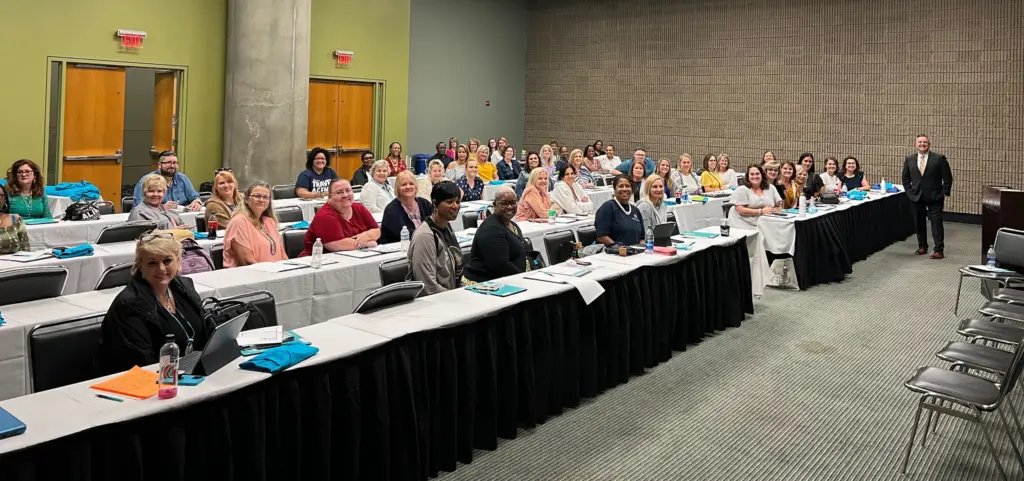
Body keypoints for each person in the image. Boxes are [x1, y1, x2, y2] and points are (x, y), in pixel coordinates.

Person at [98, 232, 214, 373]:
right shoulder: (129, 305)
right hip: (153, 380)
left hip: (191, 370)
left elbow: (206, 331)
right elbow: (143, 364)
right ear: (140, 266)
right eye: (152, 263)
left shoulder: (184, 287)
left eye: (167, 261)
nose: (161, 269)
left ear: (178, 260)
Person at [408, 181, 463, 295]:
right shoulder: (425, 236)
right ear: (435, 203)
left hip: (452, 295)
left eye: (457, 202)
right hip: (437, 303)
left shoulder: (446, 226)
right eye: (449, 202)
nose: (455, 206)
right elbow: (428, 287)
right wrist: (459, 298)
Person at [463, 186, 527, 284]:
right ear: (494, 205)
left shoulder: (513, 225)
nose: (510, 207)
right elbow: (500, 265)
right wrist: (524, 279)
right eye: (504, 203)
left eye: (513, 203)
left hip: (508, 279)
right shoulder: (491, 230)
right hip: (486, 284)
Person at [903, 134, 952, 259]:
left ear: (929, 144)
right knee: (919, 223)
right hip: (916, 197)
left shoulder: (939, 158)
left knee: (936, 223)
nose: (922, 144)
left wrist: (943, 193)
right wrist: (909, 193)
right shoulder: (909, 159)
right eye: (920, 142)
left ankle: (938, 250)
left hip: (935, 197)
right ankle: (922, 246)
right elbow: (905, 178)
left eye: (925, 142)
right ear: (915, 144)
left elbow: (947, 178)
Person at [301, 179, 380, 255]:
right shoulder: (324, 215)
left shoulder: (359, 208)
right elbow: (336, 244)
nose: (345, 195)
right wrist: (368, 243)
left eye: (348, 190)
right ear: (329, 197)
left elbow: (377, 230)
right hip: (318, 261)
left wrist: (366, 235)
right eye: (339, 192)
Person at [223, 181, 287, 267]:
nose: (261, 200)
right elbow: (247, 262)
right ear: (246, 199)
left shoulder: (270, 222)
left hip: (274, 275)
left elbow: (283, 256)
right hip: (248, 276)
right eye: (257, 196)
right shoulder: (239, 222)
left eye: (265, 197)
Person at [133, 151, 202, 210]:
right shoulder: (146, 180)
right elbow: (139, 206)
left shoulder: (182, 178)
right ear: (159, 165)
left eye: (175, 163)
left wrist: (196, 202)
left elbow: (194, 196)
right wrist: (161, 207)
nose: (172, 166)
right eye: (168, 162)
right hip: (154, 217)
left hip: (180, 216)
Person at [381, 171, 434, 244]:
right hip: (399, 250)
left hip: (426, 244)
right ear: (398, 188)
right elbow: (404, 235)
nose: (408, 187)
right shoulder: (391, 210)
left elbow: (435, 225)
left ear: (416, 186)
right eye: (404, 184)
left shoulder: (425, 204)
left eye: (411, 184)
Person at [595, 176, 644, 246]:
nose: (624, 189)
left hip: (634, 253)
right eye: (621, 186)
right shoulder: (607, 207)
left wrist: (640, 250)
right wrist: (619, 249)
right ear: (614, 189)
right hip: (613, 253)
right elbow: (602, 236)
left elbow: (642, 238)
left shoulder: (635, 210)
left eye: (627, 186)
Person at [729, 165, 783, 229]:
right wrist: (761, 211)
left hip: (765, 223)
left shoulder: (771, 188)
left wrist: (773, 210)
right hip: (743, 224)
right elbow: (740, 210)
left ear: (762, 175)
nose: (755, 176)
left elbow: (779, 206)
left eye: (757, 174)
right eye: (752, 174)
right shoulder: (741, 190)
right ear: (748, 176)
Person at [0, 187, 29, 254]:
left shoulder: (16, 219)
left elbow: (25, 249)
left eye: (0, 195)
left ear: (4, 200)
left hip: (16, 263)